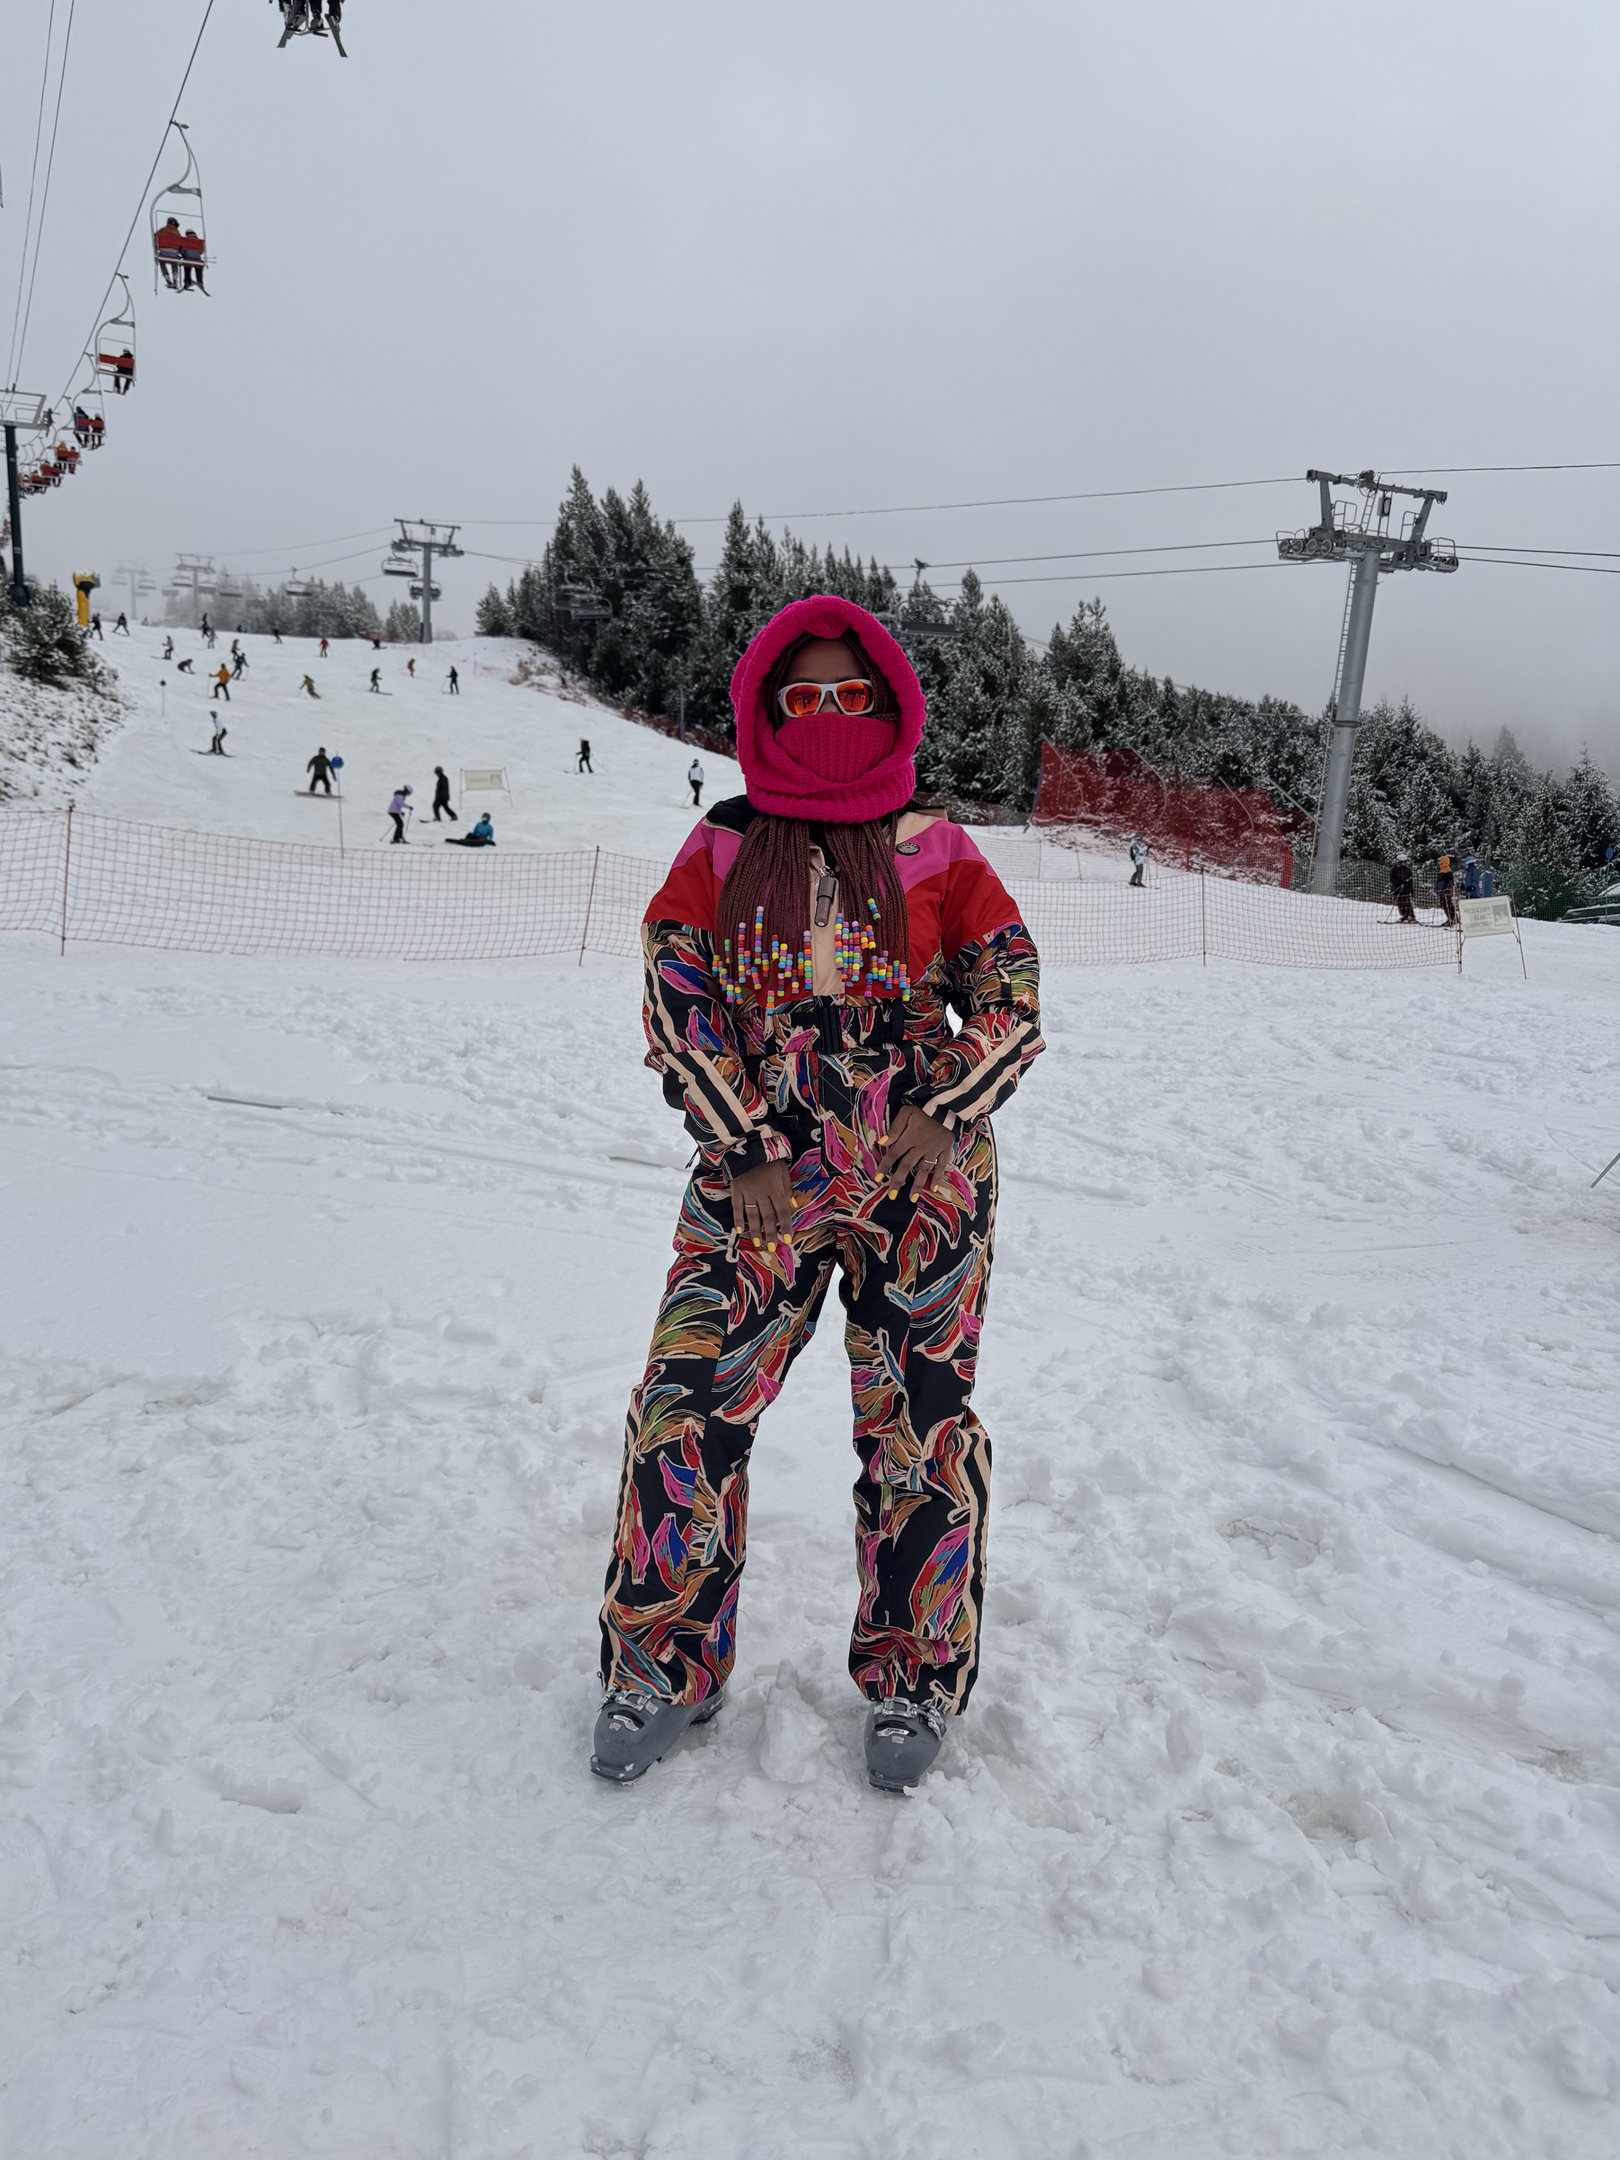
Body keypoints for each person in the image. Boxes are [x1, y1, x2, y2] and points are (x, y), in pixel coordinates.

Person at [592, 596, 1044, 1794]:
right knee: (686, 1407)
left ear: (893, 705)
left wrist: (944, 1106)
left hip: (920, 1188)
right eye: (805, 698)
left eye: (854, 695)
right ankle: (663, 1664)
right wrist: (741, 1143)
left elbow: (1012, 992)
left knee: (918, 1430)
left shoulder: (939, 847)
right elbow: (677, 1000)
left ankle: (914, 1676)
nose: (832, 715)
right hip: (760, 1186)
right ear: (764, 711)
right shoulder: (723, 846)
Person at [154, 217, 185, 290]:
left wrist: (156, 248)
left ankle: (166, 276)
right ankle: (175, 277)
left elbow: (156, 239)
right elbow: (180, 243)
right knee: (174, 262)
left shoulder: (162, 230)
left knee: (161, 261)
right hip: (174, 252)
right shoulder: (176, 232)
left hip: (163, 251)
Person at [1390, 853, 1416, 924]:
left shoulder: (1407, 870)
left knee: (1407, 903)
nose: (1404, 863)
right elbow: (1392, 879)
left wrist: (1411, 890)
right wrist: (1399, 882)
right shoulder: (1394, 870)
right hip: (1397, 889)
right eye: (1403, 862)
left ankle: (1411, 916)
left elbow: (1410, 880)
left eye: (1405, 862)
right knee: (1400, 904)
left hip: (1406, 889)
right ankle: (1404, 916)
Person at [1435, 852, 1458, 927]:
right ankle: (1451, 918)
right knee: (1444, 904)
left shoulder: (1447, 871)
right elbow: (1439, 882)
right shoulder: (1441, 871)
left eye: (1440, 862)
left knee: (1447, 904)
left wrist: (1447, 889)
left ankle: (1452, 918)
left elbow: (1450, 882)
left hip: (1445, 892)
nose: (1439, 864)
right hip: (1441, 891)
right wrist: (1437, 888)